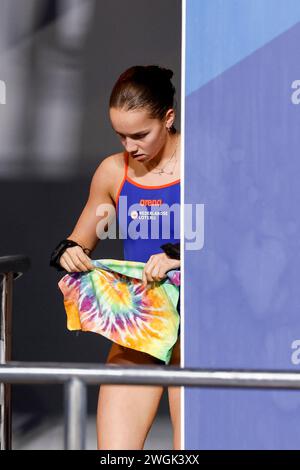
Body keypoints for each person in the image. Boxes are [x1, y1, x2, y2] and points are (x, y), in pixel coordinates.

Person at [50, 65, 181, 450]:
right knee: (115, 456)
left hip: (202, 327)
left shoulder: (206, 162)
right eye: (121, 135)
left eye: (140, 134)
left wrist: (182, 260)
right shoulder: (112, 172)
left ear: (168, 118)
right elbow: (76, 242)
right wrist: (71, 253)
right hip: (141, 325)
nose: (130, 146)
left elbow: (245, 243)